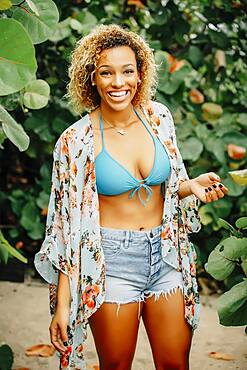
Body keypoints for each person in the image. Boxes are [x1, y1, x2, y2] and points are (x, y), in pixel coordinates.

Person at [34, 24, 228, 370]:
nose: (118, 82)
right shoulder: (75, 141)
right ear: (91, 78)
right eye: (106, 73)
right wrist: (63, 305)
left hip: (166, 256)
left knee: (175, 364)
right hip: (111, 265)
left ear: (141, 74)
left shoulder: (158, 118)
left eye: (127, 71)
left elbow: (171, 186)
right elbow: (65, 230)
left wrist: (192, 185)